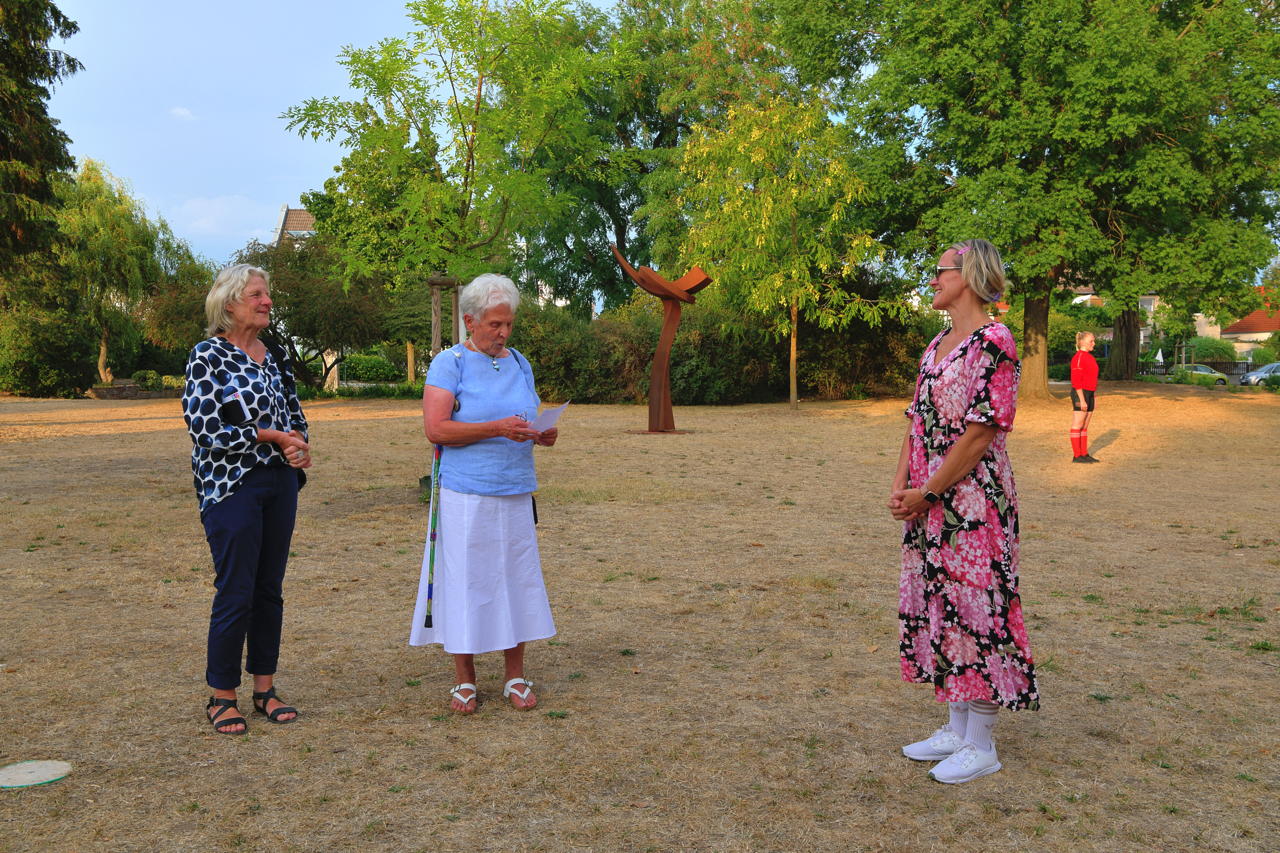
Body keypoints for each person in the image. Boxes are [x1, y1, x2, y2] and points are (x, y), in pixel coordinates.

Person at [888, 239, 1039, 784]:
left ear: (970, 277)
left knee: (979, 611)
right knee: (941, 605)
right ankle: (954, 727)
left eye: (940, 271)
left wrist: (927, 493)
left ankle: (982, 743)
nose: (932, 280)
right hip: (929, 501)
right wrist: (901, 484)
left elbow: (980, 434)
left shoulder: (995, 341)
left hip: (975, 505)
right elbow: (916, 419)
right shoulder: (937, 343)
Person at [409, 274, 558, 714]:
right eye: (495, 324)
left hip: (514, 490)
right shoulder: (448, 363)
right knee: (468, 580)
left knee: (516, 579)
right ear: (469, 320)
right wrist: (497, 428)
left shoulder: (519, 362)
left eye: (509, 324)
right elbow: (436, 430)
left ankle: (515, 674)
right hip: (466, 494)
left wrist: (539, 434)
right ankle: (465, 679)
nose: (504, 333)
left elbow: (525, 416)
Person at [182, 264, 311, 734]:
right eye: (257, 294)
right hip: (229, 487)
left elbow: (293, 411)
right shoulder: (207, 356)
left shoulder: (271, 353)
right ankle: (221, 696)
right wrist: (269, 435)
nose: (267, 301)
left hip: (279, 485)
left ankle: (264, 689)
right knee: (236, 589)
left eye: (267, 294)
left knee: (268, 590)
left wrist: (297, 445)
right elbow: (205, 428)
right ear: (230, 302)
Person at [1069, 331, 1100, 463]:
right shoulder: (1079, 357)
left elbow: (1091, 378)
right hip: (1080, 393)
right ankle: (1077, 456)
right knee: (1078, 424)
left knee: (1085, 425)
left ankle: (1084, 453)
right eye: (1091, 341)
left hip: (1090, 393)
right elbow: (1076, 381)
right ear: (1082, 342)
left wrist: (1094, 396)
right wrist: (1082, 399)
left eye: (1093, 341)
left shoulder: (1089, 357)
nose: (1094, 343)